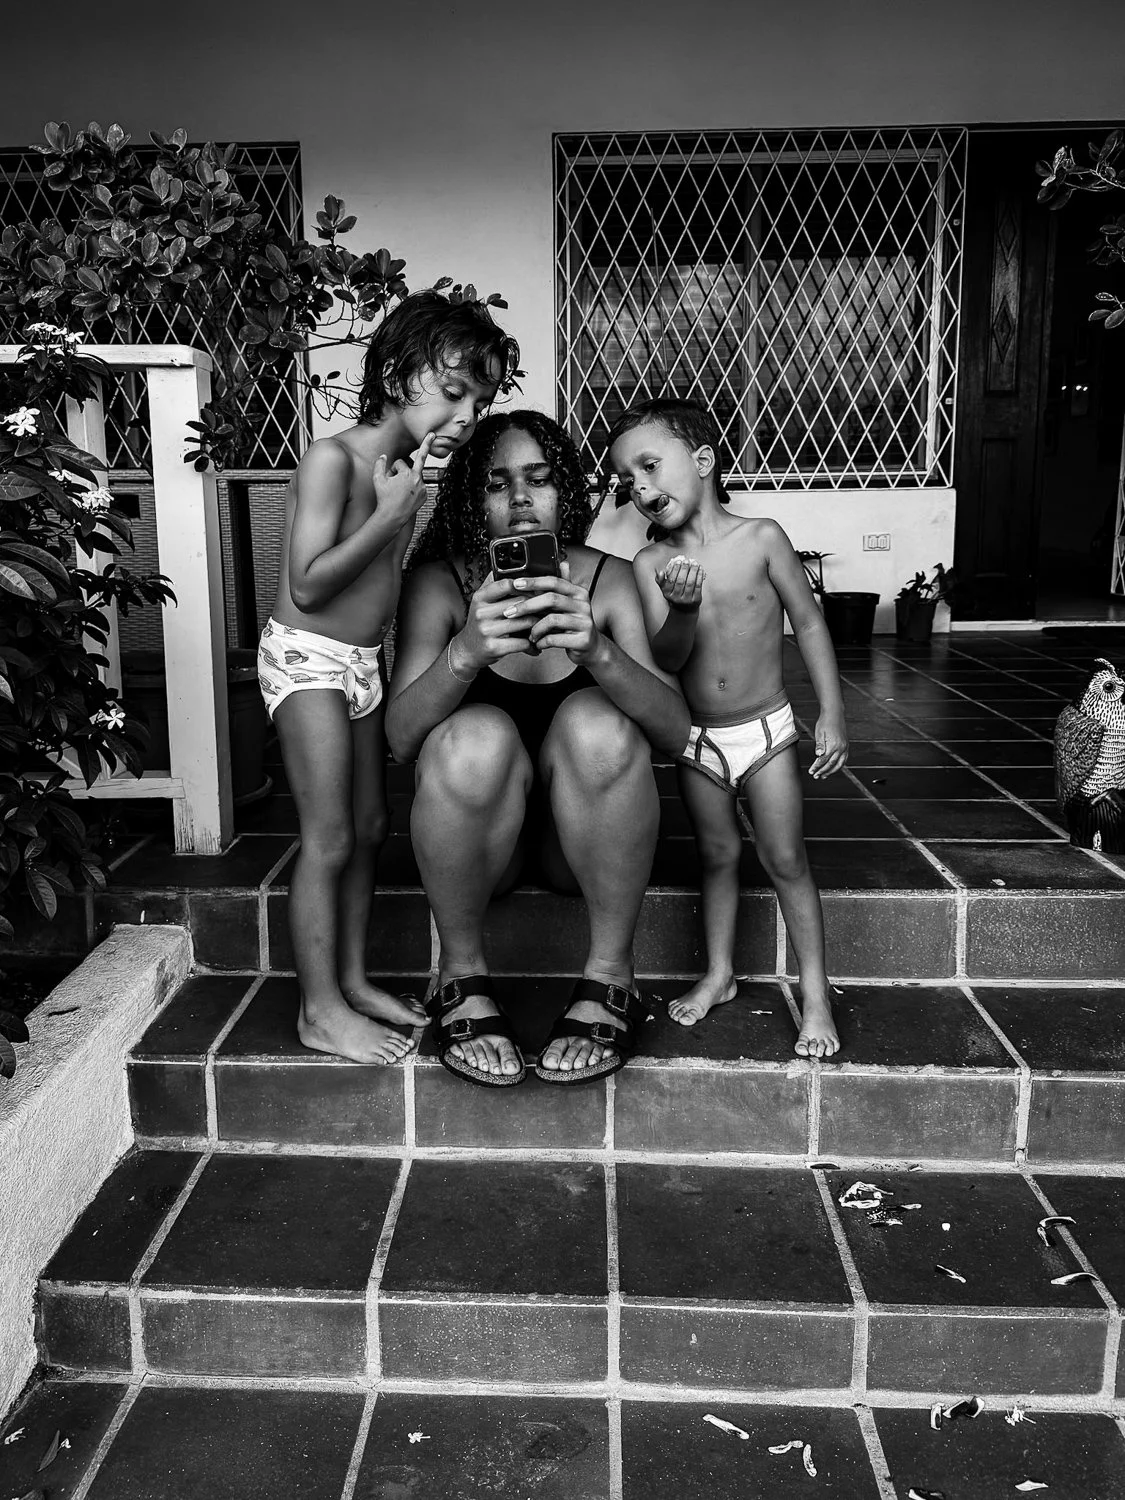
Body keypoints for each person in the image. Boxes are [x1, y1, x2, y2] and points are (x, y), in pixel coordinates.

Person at [385, 410, 690, 1087]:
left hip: (574, 852)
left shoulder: (607, 581)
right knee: (475, 734)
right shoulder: (440, 585)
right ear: (472, 498)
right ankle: (460, 976)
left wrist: (596, 650)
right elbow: (401, 740)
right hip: (480, 851)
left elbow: (672, 733)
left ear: (567, 492)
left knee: (599, 721)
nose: (521, 500)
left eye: (539, 479)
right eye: (497, 484)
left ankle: (610, 975)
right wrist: (465, 652)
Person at [259, 292, 520, 1063]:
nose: (467, 413)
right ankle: (318, 1010)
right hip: (307, 657)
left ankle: (351, 980)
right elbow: (307, 585)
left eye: (480, 398)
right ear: (402, 372)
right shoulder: (333, 460)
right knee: (329, 836)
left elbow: (386, 584)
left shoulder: (410, 472)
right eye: (454, 391)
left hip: (364, 665)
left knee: (371, 830)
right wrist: (387, 514)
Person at [608, 397, 847, 1059]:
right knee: (716, 856)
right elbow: (666, 660)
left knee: (784, 858)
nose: (639, 487)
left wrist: (831, 712)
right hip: (698, 741)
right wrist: (680, 611)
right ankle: (718, 974)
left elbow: (809, 623)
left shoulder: (761, 538)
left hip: (767, 729)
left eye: (650, 465)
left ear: (704, 461)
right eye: (628, 479)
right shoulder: (648, 567)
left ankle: (816, 995)